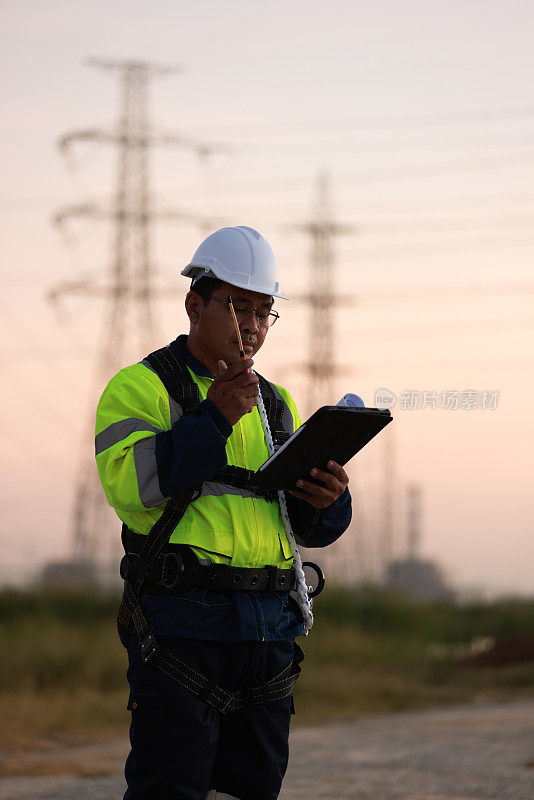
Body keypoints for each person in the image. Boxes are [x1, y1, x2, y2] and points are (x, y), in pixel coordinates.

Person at [95, 225, 352, 800]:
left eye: (265, 313)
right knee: (172, 788)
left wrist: (330, 502)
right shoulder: (139, 389)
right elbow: (134, 488)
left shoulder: (277, 403)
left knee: (254, 788)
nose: (253, 327)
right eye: (238, 306)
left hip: (269, 633)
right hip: (182, 628)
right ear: (194, 304)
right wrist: (212, 419)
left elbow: (297, 524)